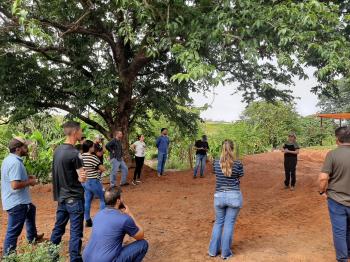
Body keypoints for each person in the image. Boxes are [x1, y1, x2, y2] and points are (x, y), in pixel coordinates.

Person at [50, 121, 87, 262]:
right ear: (75, 132)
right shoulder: (75, 153)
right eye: (81, 130)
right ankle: (75, 259)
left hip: (62, 198)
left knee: (58, 229)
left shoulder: (57, 150)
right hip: (75, 199)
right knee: (76, 233)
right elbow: (82, 178)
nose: (82, 133)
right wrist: (83, 176)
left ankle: (52, 257)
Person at [1, 137, 44, 256]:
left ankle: (32, 237)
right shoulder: (15, 163)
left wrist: (26, 178)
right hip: (17, 203)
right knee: (13, 231)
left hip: (15, 200)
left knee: (32, 209)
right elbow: (15, 185)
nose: (27, 149)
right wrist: (29, 182)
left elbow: (12, 178)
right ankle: (8, 256)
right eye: (25, 147)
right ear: (18, 149)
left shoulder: (9, 159)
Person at [83, 187, 149, 262]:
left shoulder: (98, 214)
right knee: (143, 244)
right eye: (122, 197)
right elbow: (140, 236)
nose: (122, 200)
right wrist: (130, 214)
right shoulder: (124, 219)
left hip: (86, 258)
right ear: (118, 201)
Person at [208, 139, 244, 260]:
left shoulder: (216, 162)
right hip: (234, 196)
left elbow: (216, 174)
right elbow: (240, 176)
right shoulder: (238, 163)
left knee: (218, 223)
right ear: (232, 149)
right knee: (229, 224)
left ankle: (213, 251)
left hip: (219, 196)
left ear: (222, 148)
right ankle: (225, 253)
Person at [319, 126, 350, 262]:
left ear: (337, 139)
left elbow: (323, 178)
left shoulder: (332, 154)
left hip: (336, 200)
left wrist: (322, 191)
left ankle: (342, 258)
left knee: (339, 231)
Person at [82, 140, 106, 227]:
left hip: (85, 181)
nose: (93, 147)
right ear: (89, 148)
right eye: (92, 146)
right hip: (93, 181)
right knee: (103, 198)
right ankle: (101, 219)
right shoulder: (92, 157)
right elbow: (103, 168)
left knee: (87, 200)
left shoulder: (80, 156)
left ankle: (88, 220)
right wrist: (98, 170)